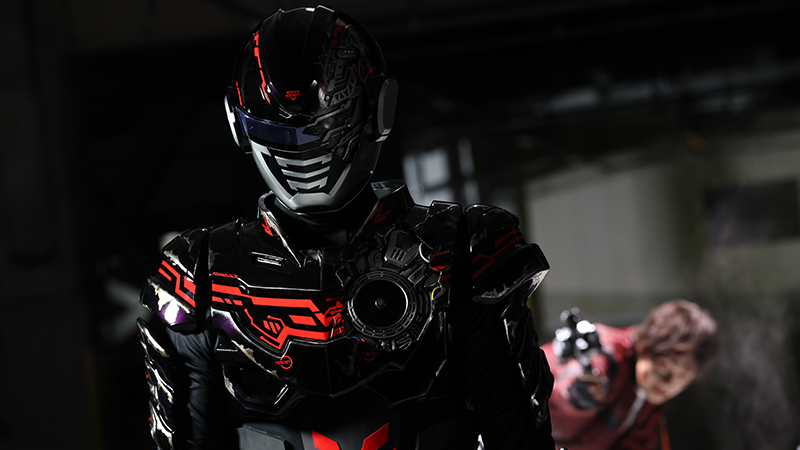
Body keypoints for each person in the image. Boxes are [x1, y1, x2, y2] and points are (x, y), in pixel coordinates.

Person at [136, 5, 555, 450]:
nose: (304, 152)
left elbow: (517, 434)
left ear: (378, 110)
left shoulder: (464, 248)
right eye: (282, 133)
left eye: (324, 130)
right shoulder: (198, 275)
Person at [542, 299, 720, 450]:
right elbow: (568, 377)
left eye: (682, 377)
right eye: (663, 368)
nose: (668, 382)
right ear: (644, 346)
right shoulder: (607, 349)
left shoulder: (650, 407)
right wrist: (578, 395)